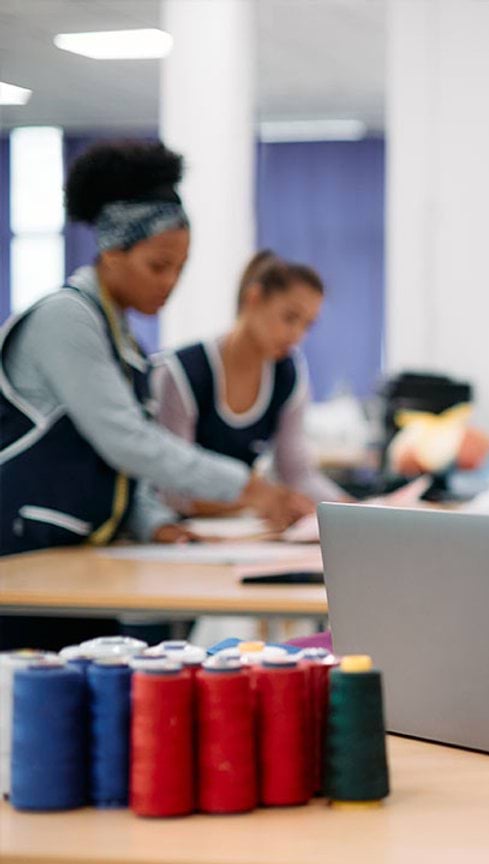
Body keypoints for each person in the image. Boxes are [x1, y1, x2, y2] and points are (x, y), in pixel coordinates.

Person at [0, 140, 306, 646]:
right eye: (158, 266)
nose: (170, 284)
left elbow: (117, 467)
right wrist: (247, 486)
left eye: (180, 268)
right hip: (21, 559)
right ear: (111, 252)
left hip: (74, 560)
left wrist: (156, 524)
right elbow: (128, 441)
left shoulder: (124, 342)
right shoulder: (66, 318)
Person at [153, 250, 348, 515]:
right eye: (290, 318)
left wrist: (353, 510)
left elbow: (298, 474)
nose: (297, 335)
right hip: (172, 534)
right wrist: (254, 499)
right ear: (253, 298)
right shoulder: (183, 373)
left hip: (240, 534)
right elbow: (171, 491)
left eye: (307, 325)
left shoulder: (287, 374)